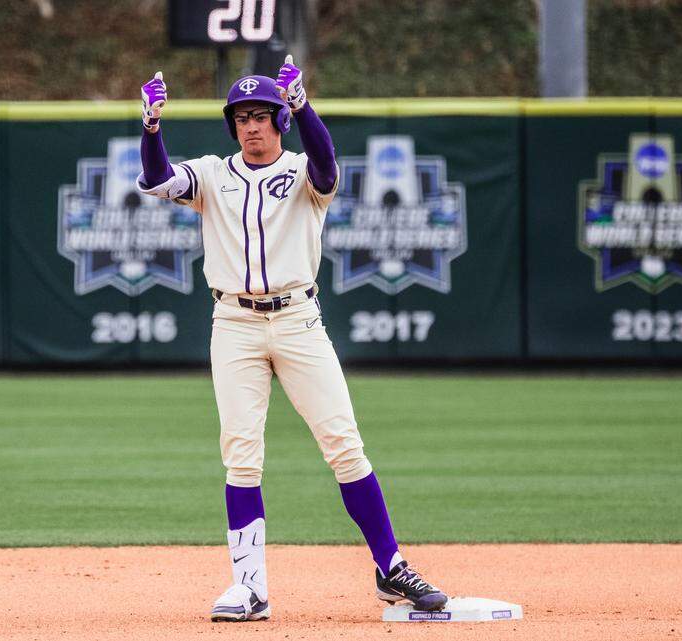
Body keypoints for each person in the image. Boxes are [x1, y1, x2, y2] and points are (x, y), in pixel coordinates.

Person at [136, 57, 448, 622]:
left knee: (344, 445)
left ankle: (390, 567)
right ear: (233, 125)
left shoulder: (306, 171)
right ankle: (249, 588)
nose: (251, 125)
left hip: (299, 320)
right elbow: (158, 179)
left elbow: (328, 166)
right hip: (234, 323)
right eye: (242, 117)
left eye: (262, 115)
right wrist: (151, 126)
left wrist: (303, 105)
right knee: (241, 456)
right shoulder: (212, 173)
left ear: (280, 121)